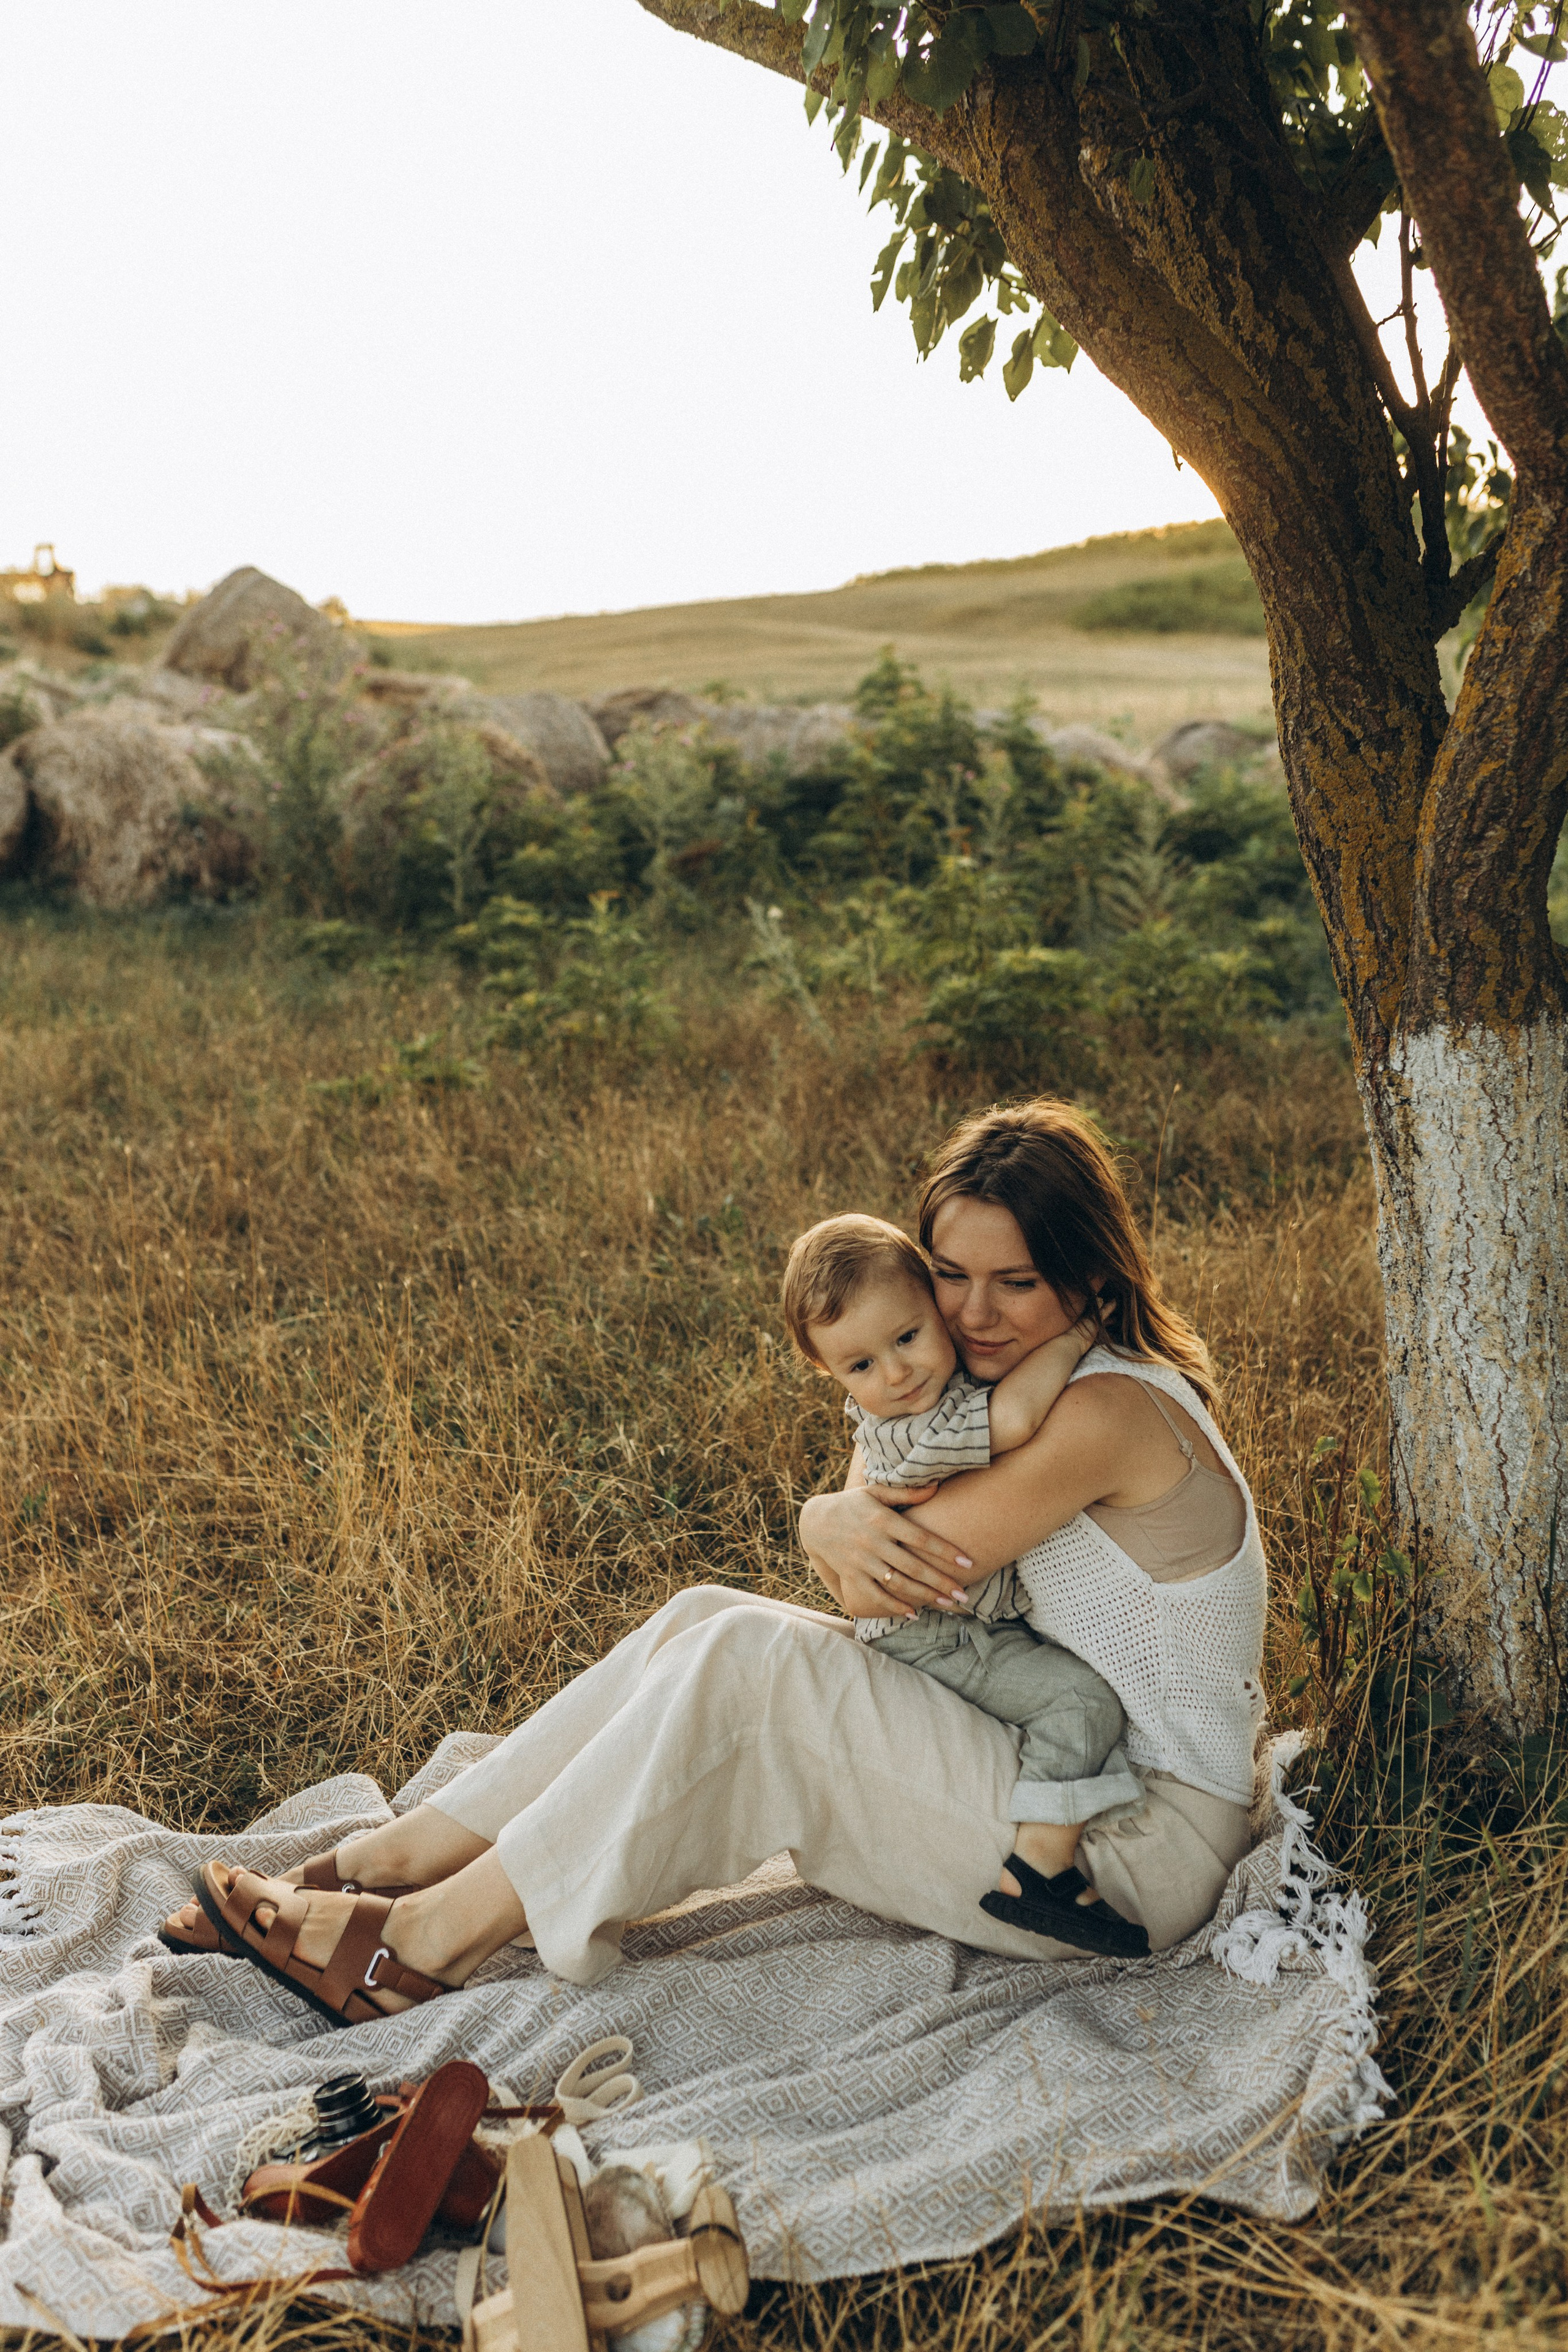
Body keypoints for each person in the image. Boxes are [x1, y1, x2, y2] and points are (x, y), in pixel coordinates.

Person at [164, 1099, 1267, 2025]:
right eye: (947, 1274)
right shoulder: (1020, 1384)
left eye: (1016, 1283)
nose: (971, 1314)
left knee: (749, 1668)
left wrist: (825, 1525)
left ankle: (423, 1944)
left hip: (1127, 1846)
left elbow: (878, 1574)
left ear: (1088, 1280)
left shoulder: (1106, 1409)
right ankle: (402, 1855)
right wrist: (821, 1517)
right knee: (705, 1617)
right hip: (1057, 1759)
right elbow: (871, 1534)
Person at [780, 1210, 1144, 1957]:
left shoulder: (923, 1398)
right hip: (934, 1631)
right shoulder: (917, 1427)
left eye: (908, 1338)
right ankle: (1038, 1870)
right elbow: (1010, 1419)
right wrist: (1079, 1336)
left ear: (931, 1310)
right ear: (829, 1375)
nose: (897, 1374)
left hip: (944, 1621)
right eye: (861, 1367)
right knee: (1079, 1703)